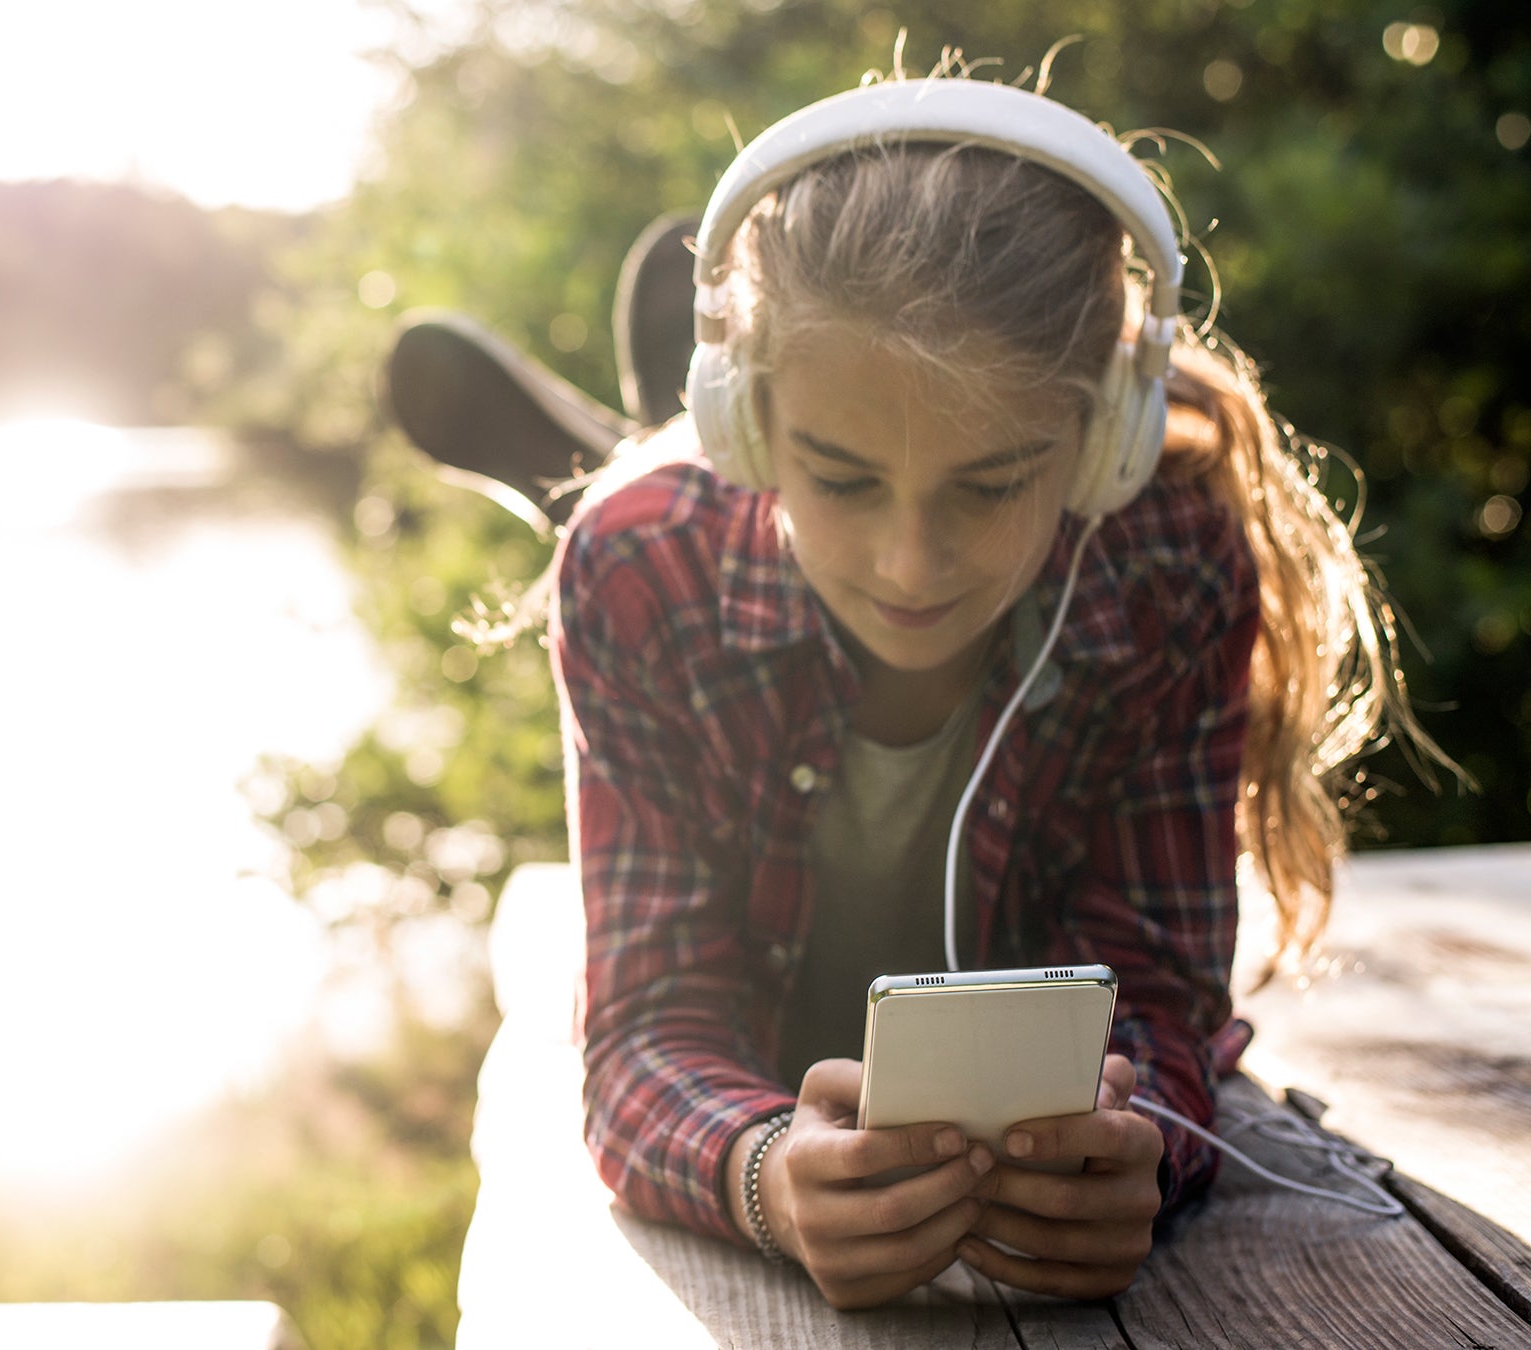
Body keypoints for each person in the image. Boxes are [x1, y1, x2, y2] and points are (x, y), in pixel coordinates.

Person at [545, 66, 1446, 1310]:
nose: (913, 567)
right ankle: (633, 423)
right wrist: (760, 1171)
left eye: (990, 484)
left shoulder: (1169, 562)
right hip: (692, 590)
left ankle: (671, 413)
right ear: (748, 426)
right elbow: (645, 1025)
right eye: (843, 478)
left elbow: (1160, 988)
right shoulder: (640, 568)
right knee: (625, 503)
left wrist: (1143, 1152)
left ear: (1104, 441)